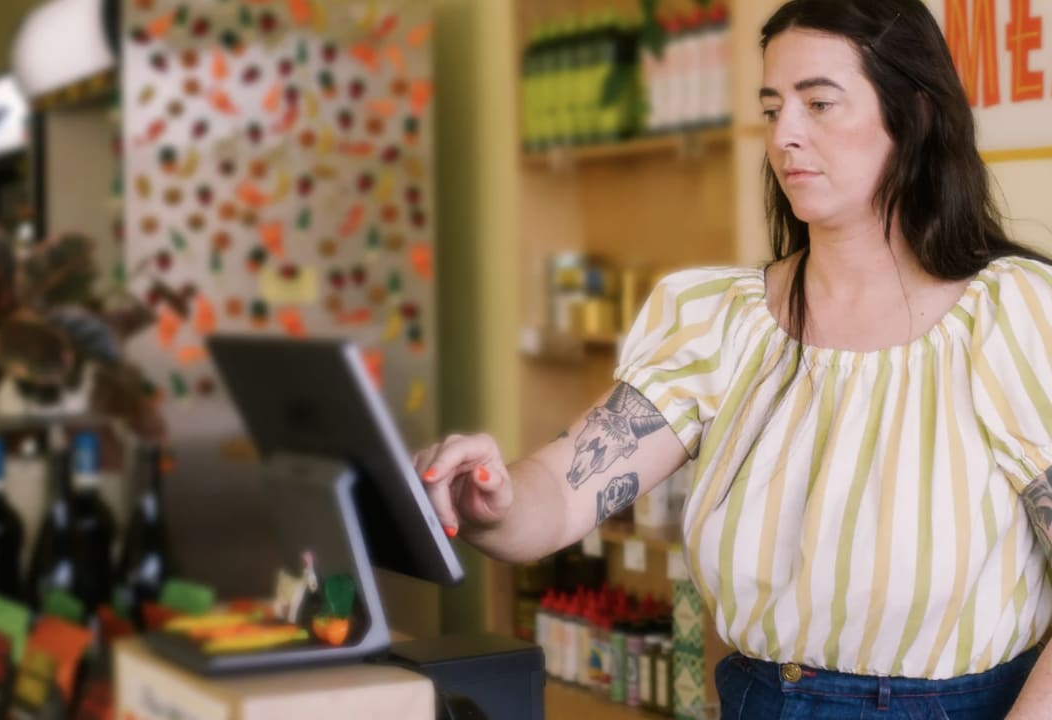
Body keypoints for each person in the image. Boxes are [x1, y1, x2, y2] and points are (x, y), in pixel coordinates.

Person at [413, 0, 1052, 717]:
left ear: (918, 115)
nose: (786, 135)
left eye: (819, 103)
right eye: (773, 107)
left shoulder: (1013, 318)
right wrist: (491, 498)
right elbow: (563, 492)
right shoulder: (720, 321)